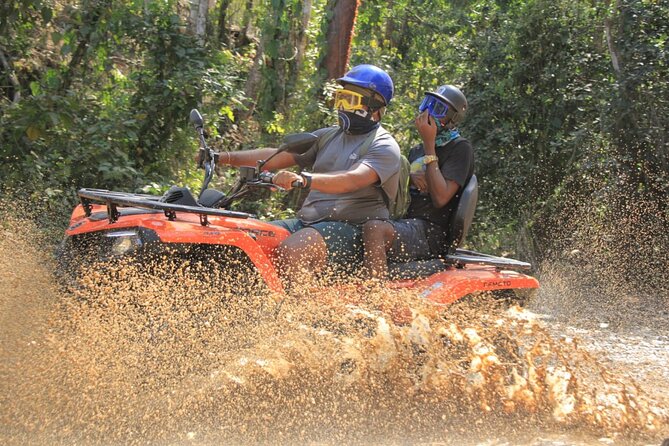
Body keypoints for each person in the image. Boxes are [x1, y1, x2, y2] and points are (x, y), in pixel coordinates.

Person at [217, 64, 401, 283]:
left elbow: (351, 180)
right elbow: (276, 155)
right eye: (339, 98)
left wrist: (304, 180)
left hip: (352, 230)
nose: (341, 107)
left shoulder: (384, 146)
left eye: (350, 100)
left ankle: (302, 314)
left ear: (375, 106)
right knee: (250, 236)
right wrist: (224, 157)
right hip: (308, 222)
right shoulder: (328, 136)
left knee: (294, 250)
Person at [362, 85, 474, 279]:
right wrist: (409, 176)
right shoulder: (416, 151)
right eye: (427, 105)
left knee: (374, 229)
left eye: (438, 109)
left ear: (453, 120)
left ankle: (375, 298)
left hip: (433, 232)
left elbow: (440, 198)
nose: (427, 112)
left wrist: (429, 145)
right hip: (407, 223)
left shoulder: (460, 148)